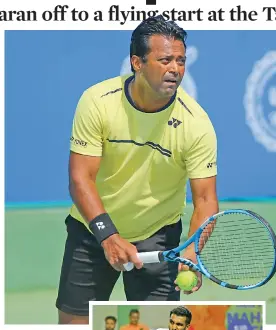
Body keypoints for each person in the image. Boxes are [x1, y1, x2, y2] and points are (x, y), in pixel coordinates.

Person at [56, 14, 218, 325]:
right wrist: (108, 236)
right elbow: (80, 179)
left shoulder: (196, 124)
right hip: (93, 231)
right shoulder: (98, 102)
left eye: (181, 61)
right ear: (137, 62)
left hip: (158, 237)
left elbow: (206, 199)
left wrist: (193, 251)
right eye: (165, 59)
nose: (175, 69)